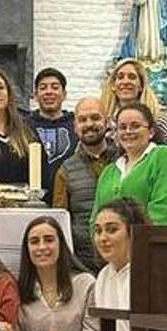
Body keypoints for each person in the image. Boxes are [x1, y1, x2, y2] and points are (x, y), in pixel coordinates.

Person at [84, 199, 149, 331]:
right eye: (98, 231)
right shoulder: (104, 275)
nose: (103, 237)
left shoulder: (146, 270)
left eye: (111, 230)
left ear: (132, 232)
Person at [93, 102, 167, 225]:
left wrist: (129, 239)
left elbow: (165, 212)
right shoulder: (109, 171)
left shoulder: (163, 157)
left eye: (135, 126)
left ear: (151, 132)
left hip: (159, 242)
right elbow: (95, 218)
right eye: (122, 127)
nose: (128, 131)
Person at [53, 97, 118, 271]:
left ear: (107, 121)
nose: (89, 124)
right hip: (83, 263)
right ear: (75, 127)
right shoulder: (65, 171)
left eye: (95, 118)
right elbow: (61, 220)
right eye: (82, 120)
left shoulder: (125, 159)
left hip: (124, 258)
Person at [100, 58, 167, 150]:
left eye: (132, 77)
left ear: (141, 85)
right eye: (120, 77)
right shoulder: (104, 122)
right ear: (113, 85)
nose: (125, 82)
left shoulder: (158, 120)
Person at [28, 68, 77, 200]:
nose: (49, 92)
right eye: (43, 88)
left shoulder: (76, 124)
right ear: (35, 95)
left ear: (64, 94)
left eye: (55, 87)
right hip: (33, 199)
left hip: (70, 196)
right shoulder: (23, 126)